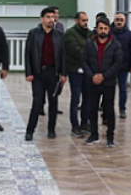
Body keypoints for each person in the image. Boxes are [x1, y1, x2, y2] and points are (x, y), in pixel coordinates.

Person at [24, 7, 66, 141]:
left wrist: (63, 73)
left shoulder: (59, 35)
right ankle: (30, 130)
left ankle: (51, 129)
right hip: (38, 73)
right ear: (42, 19)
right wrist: (29, 72)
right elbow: (28, 54)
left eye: (53, 17)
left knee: (53, 103)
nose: (51, 20)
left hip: (53, 73)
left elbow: (63, 55)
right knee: (37, 102)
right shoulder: (33, 33)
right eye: (48, 17)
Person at [83, 17, 123, 148]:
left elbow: (117, 63)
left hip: (108, 82)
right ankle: (93, 134)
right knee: (92, 109)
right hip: (92, 82)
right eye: (101, 28)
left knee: (109, 110)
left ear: (109, 29)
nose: (103, 31)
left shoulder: (115, 45)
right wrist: (92, 76)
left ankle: (110, 137)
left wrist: (104, 76)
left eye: (106, 28)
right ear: (96, 29)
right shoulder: (89, 44)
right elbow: (84, 62)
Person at [64, 12, 91, 137]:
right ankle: (75, 125)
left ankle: (85, 122)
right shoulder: (70, 33)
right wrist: (89, 56)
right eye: (83, 20)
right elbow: (75, 51)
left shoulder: (89, 33)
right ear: (76, 21)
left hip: (87, 70)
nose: (85, 23)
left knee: (87, 97)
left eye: (87, 20)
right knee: (76, 98)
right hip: (75, 70)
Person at [112, 12, 131, 119]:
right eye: (117, 19)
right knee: (109, 89)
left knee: (123, 88)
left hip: (124, 66)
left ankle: (122, 109)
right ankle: (108, 108)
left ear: (125, 21)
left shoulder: (130, 35)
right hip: (110, 66)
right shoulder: (109, 33)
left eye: (121, 20)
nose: (119, 22)